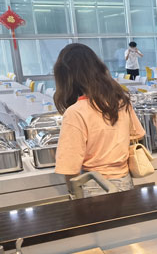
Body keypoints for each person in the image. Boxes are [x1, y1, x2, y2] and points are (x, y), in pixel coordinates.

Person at [53, 43, 146, 198]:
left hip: (95, 186)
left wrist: (73, 194)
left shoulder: (76, 112)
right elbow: (138, 134)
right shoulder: (120, 101)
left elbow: (70, 167)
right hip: (125, 181)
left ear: (66, 77)